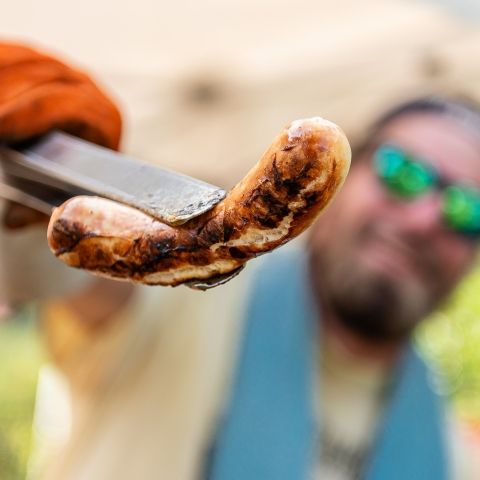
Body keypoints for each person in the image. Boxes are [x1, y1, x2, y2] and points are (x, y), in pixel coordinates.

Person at [1, 42, 479, 480]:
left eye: (469, 210)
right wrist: (37, 162)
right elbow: (55, 249)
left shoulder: (456, 461)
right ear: (347, 178)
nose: (425, 218)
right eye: (404, 172)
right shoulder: (176, 305)